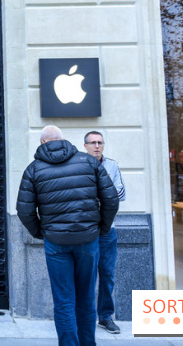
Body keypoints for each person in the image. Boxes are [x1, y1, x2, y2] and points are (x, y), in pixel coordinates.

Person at [17, 125, 119, 346]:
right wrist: (101, 228)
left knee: (64, 301)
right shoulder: (89, 162)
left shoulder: (33, 169)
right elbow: (111, 199)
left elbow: (24, 211)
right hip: (87, 240)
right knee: (86, 298)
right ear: (63, 140)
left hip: (56, 243)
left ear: (43, 143)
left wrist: (41, 232)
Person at [83, 130, 126, 335]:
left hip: (108, 230)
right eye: (93, 142)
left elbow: (121, 193)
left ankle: (106, 316)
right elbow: (81, 196)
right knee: (86, 275)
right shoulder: (79, 166)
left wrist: (98, 197)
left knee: (107, 274)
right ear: (85, 146)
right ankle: (86, 315)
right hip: (87, 230)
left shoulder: (112, 165)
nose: (97, 146)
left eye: (100, 142)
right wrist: (105, 196)